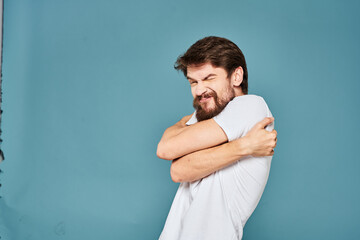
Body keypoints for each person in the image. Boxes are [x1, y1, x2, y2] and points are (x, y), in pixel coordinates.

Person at [157, 36, 277, 240]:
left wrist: (185, 129)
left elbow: (175, 164)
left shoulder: (250, 106)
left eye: (209, 78)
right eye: (193, 82)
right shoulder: (209, 115)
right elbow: (169, 154)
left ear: (236, 76)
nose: (199, 90)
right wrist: (244, 146)